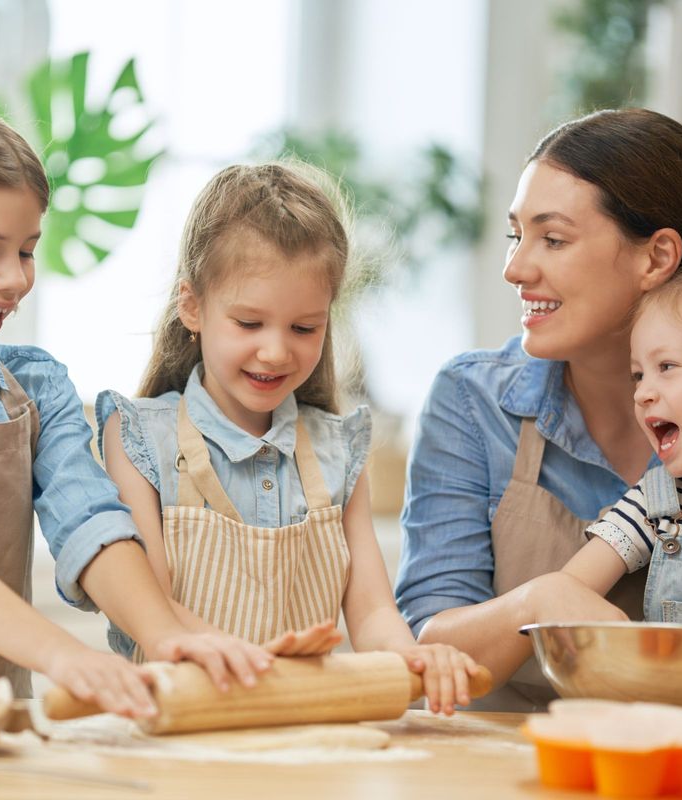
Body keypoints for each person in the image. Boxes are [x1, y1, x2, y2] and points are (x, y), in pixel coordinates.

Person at [0, 101, 275, 713]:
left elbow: (90, 522)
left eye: (25, 251)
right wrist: (61, 654)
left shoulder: (36, 384)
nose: (15, 279)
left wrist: (164, 633)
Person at [98, 162, 481, 715]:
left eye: (304, 328)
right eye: (249, 324)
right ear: (192, 306)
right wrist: (259, 665)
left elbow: (372, 613)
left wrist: (415, 658)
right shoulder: (138, 438)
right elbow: (150, 606)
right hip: (179, 737)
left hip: (302, 737)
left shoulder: (339, 449)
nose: (277, 351)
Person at [395, 108, 682, 710]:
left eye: (553, 238)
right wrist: (538, 601)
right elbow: (428, 651)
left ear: (656, 257)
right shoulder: (471, 401)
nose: (515, 268)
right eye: (517, 234)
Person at [552, 263, 682, 625]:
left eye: (666, 366)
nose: (642, 394)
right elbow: (564, 591)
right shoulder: (657, 504)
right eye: (638, 375)